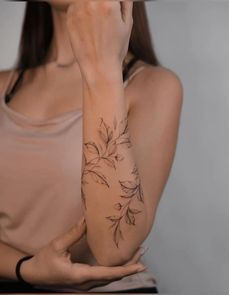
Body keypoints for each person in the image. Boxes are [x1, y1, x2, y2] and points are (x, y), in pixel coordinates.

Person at [0, 0, 183, 293]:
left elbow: (114, 248)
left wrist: (102, 71)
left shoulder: (153, 86)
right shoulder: (4, 87)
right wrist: (27, 268)